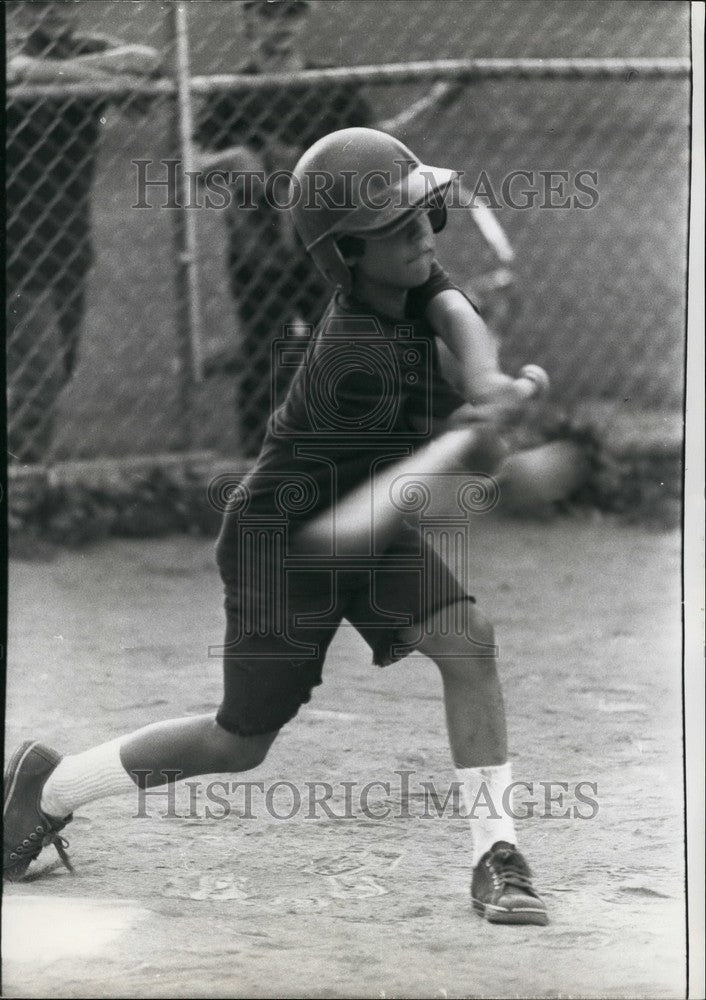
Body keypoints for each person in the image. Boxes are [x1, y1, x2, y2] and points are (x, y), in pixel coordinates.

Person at [3, 127, 547, 927]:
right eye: (399, 230)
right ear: (347, 257)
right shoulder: (354, 355)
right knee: (239, 743)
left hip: (365, 513)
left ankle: (496, 855)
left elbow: (456, 312)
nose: (425, 238)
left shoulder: (409, 276)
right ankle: (47, 787)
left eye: (425, 217)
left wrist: (488, 379)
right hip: (290, 542)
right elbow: (386, 504)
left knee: (468, 639)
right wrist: (483, 449)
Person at [193, 0, 465, 456]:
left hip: (328, 247)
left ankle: (341, 459)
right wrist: (232, 159)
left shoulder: (328, 84)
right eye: (266, 15)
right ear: (246, 21)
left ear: (303, 21)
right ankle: (259, 463)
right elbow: (192, 160)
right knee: (265, 354)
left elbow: (381, 143)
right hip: (258, 248)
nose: (278, 27)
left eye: (289, 16)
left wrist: (435, 100)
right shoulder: (231, 91)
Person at [6, 0, 160, 463]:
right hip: (14, 247)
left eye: (62, 1)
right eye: (37, 4)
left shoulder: (89, 47)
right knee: (41, 375)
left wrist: (51, 73)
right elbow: (17, 68)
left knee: (61, 368)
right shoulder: (11, 50)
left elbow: (147, 63)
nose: (51, 10)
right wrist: (109, 83)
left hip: (68, 243)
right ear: (21, 14)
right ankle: (25, 485)